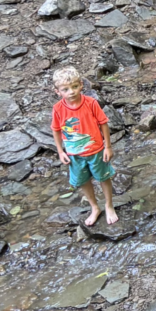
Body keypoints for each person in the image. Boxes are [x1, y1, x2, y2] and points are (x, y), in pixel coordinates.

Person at [50, 67, 118, 227]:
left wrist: (108, 146)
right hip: (74, 155)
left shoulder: (91, 103)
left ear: (81, 85)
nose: (71, 92)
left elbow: (103, 123)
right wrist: (60, 151)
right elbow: (56, 130)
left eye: (74, 87)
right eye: (65, 89)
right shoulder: (58, 109)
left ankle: (109, 205)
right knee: (82, 181)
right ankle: (94, 207)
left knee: (104, 177)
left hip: (96, 151)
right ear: (58, 91)